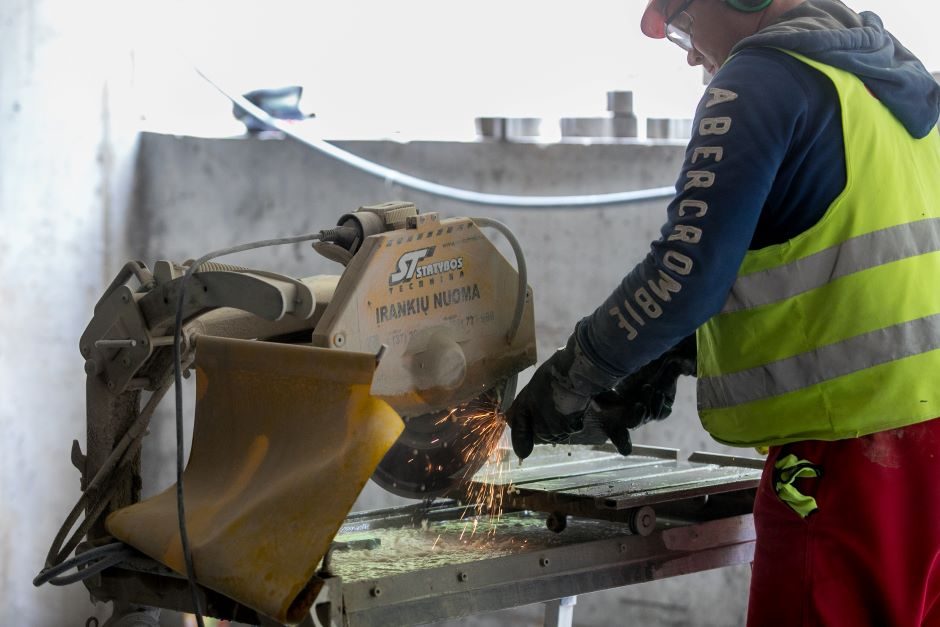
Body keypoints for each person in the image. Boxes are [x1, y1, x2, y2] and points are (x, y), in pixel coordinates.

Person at [506, 0, 940, 624]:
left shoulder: (760, 75)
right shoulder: (887, 75)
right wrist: (679, 353)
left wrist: (577, 373)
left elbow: (684, 271)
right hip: (921, 442)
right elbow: (831, 251)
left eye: (682, 21)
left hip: (849, 455)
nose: (687, 50)